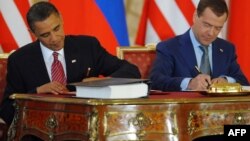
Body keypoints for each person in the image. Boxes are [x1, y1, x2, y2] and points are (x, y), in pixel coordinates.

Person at [0, 1, 140, 127]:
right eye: (45, 35)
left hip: (86, 128)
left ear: (61, 18)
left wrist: (102, 82)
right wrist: (36, 92)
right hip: (40, 132)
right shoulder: (20, 60)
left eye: (56, 28)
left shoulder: (87, 47)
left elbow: (131, 71)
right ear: (32, 32)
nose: (54, 39)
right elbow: (7, 110)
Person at [150, 0, 249, 92]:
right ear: (195, 16)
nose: (211, 33)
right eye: (207, 25)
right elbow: (155, 81)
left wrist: (226, 81)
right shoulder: (169, 47)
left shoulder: (227, 49)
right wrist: (189, 84)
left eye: (218, 28)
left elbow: (243, 82)